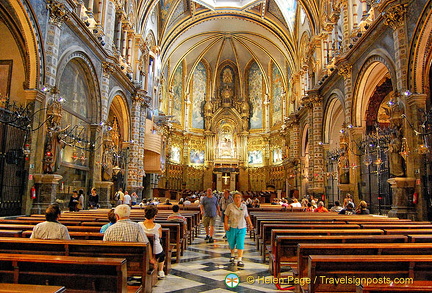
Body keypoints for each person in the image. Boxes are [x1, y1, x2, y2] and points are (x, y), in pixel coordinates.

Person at [224, 191, 253, 267]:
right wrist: (226, 224)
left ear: (241, 198)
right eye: (236, 197)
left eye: (239, 197)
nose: (237, 199)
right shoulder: (230, 206)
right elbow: (226, 216)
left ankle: (240, 259)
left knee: (240, 242)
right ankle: (232, 255)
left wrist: (250, 224)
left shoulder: (244, 206)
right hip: (232, 226)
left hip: (242, 226)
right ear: (233, 199)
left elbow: (246, 216)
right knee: (231, 242)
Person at [139, 205, 166, 279]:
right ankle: (161, 270)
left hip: (142, 248)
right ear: (155, 216)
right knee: (162, 251)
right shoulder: (158, 226)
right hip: (155, 250)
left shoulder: (139, 225)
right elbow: (160, 236)